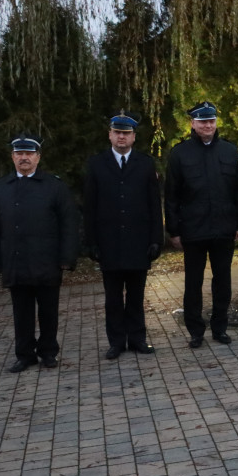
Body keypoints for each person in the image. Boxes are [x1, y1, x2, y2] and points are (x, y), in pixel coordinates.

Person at [0, 134, 78, 373]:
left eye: (28, 154)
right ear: (12, 157)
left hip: (46, 261)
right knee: (21, 313)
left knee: (48, 311)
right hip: (16, 261)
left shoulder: (54, 186)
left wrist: (67, 258)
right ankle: (24, 354)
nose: (23, 158)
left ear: (38, 157)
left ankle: (48, 352)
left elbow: (69, 224)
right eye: (19, 154)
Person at [165, 101, 238, 348]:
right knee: (193, 283)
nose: (207, 125)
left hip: (223, 228)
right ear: (193, 123)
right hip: (194, 230)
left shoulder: (229, 151)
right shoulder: (180, 154)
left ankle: (220, 327)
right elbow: (171, 196)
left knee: (223, 281)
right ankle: (195, 331)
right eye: (202, 121)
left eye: (211, 121)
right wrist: (174, 230)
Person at [84, 111, 164, 359]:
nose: (121, 137)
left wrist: (155, 239)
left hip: (138, 242)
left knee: (137, 297)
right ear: (110, 135)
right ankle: (116, 342)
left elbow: (153, 205)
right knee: (113, 299)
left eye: (126, 133)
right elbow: (90, 207)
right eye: (117, 132)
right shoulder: (96, 165)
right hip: (109, 243)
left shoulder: (146, 163)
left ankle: (138, 339)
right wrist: (92, 242)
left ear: (133, 137)